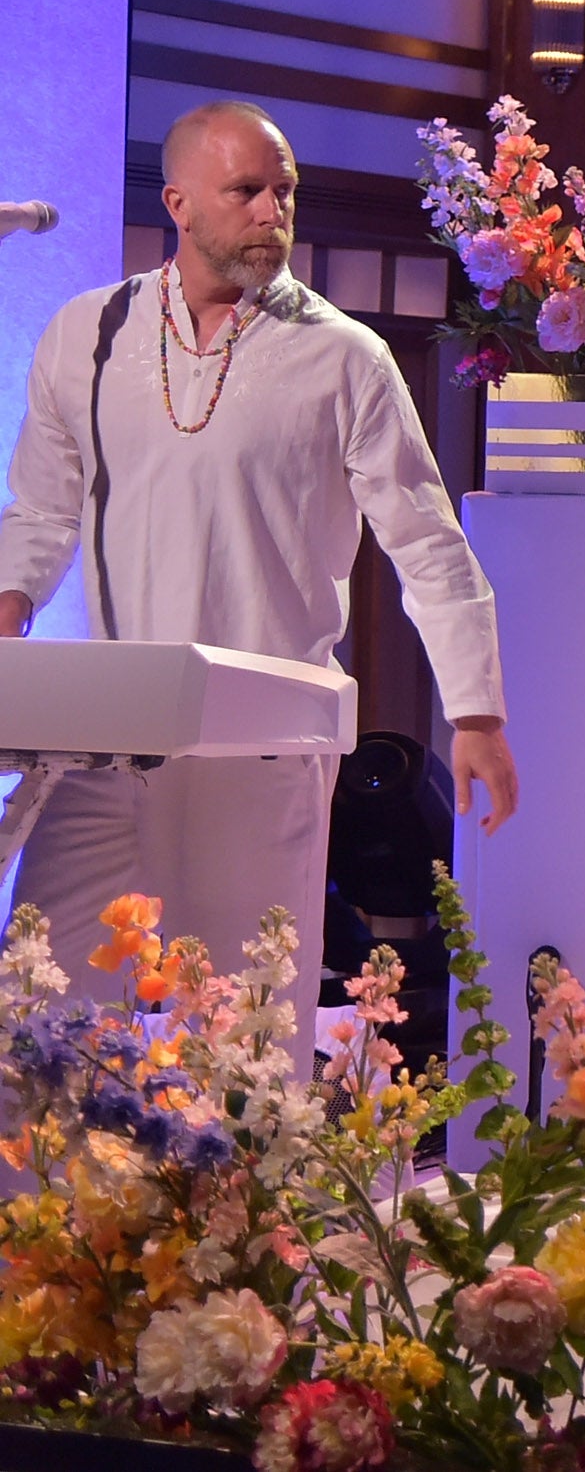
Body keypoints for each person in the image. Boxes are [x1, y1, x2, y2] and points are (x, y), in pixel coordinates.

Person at [0, 100, 517, 1053]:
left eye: (285, 191)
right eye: (246, 191)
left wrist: (476, 714)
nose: (273, 211)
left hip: (262, 740)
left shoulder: (344, 356)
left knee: (241, 1037)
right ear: (179, 204)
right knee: (39, 1011)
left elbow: (427, 542)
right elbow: (39, 509)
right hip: (108, 734)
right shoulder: (87, 332)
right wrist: (10, 612)